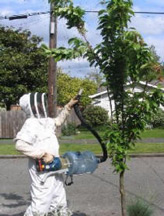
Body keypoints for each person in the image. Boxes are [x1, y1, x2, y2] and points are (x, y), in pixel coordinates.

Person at [15, 92, 78, 216]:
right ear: (30, 107)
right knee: (41, 203)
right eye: (36, 103)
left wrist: (68, 106)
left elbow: (58, 121)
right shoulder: (31, 124)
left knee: (58, 199)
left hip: (55, 166)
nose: (40, 104)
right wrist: (43, 155)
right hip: (42, 170)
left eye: (40, 103)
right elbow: (20, 145)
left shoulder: (46, 121)